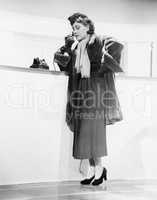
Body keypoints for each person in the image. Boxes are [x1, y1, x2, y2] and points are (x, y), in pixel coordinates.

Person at [54, 12, 123, 186]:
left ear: (88, 27)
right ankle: (93, 170)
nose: (74, 31)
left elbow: (118, 45)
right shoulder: (76, 47)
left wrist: (102, 56)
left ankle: (99, 168)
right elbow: (69, 66)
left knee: (94, 130)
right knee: (84, 131)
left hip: (97, 90)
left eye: (77, 27)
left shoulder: (98, 40)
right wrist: (62, 52)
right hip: (81, 90)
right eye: (73, 28)